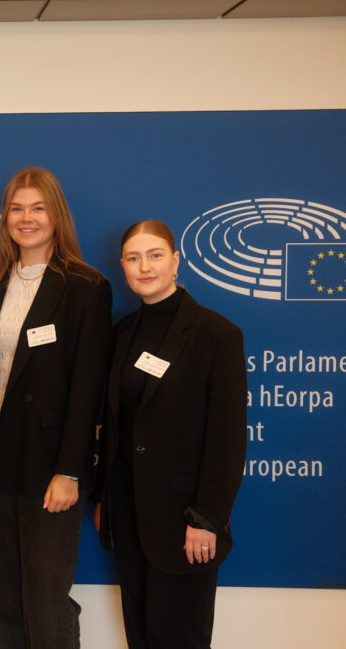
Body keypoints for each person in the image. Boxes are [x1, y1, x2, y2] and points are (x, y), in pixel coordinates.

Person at [0, 166, 111, 649]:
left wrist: (70, 469)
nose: (27, 219)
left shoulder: (86, 286)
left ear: (56, 215)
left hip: (49, 462)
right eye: (17, 208)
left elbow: (88, 387)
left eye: (38, 208)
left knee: (46, 596)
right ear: (4, 218)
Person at [95, 220, 247, 649]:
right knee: (140, 635)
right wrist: (106, 497)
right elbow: (118, 424)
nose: (145, 266)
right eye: (133, 257)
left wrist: (207, 517)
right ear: (122, 266)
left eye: (155, 254)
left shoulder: (217, 334)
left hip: (186, 522)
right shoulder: (122, 332)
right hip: (128, 514)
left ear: (176, 260)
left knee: (181, 636)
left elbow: (228, 438)